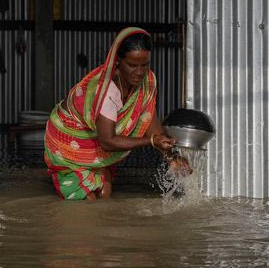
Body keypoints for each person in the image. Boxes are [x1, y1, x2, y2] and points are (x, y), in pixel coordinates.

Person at [43, 27, 178, 200]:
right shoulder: (105, 91)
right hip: (69, 140)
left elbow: (148, 118)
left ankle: (99, 168)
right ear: (117, 62)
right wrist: (151, 141)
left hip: (97, 139)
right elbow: (107, 142)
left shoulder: (147, 81)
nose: (139, 72)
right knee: (85, 201)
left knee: (105, 195)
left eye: (145, 65)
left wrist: (172, 157)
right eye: (132, 65)